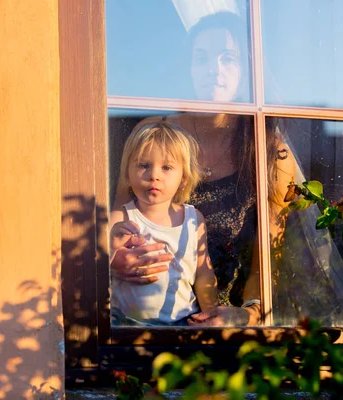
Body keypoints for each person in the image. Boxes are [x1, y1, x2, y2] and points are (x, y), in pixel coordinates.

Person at [110, 11, 293, 327]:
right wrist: (113, 261)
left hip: (227, 328)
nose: (214, 71)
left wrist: (247, 314)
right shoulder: (155, 136)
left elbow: (268, 260)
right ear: (189, 69)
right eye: (202, 59)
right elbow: (117, 220)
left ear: (247, 71)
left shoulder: (269, 150)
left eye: (228, 59)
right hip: (143, 323)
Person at [109, 121, 219, 326]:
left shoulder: (194, 219)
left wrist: (211, 314)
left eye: (167, 167)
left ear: (184, 178)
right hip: (128, 325)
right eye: (143, 165)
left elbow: (203, 272)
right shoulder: (120, 218)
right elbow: (96, 267)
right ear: (127, 173)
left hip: (183, 321)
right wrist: (112, 247)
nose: (154, 176)